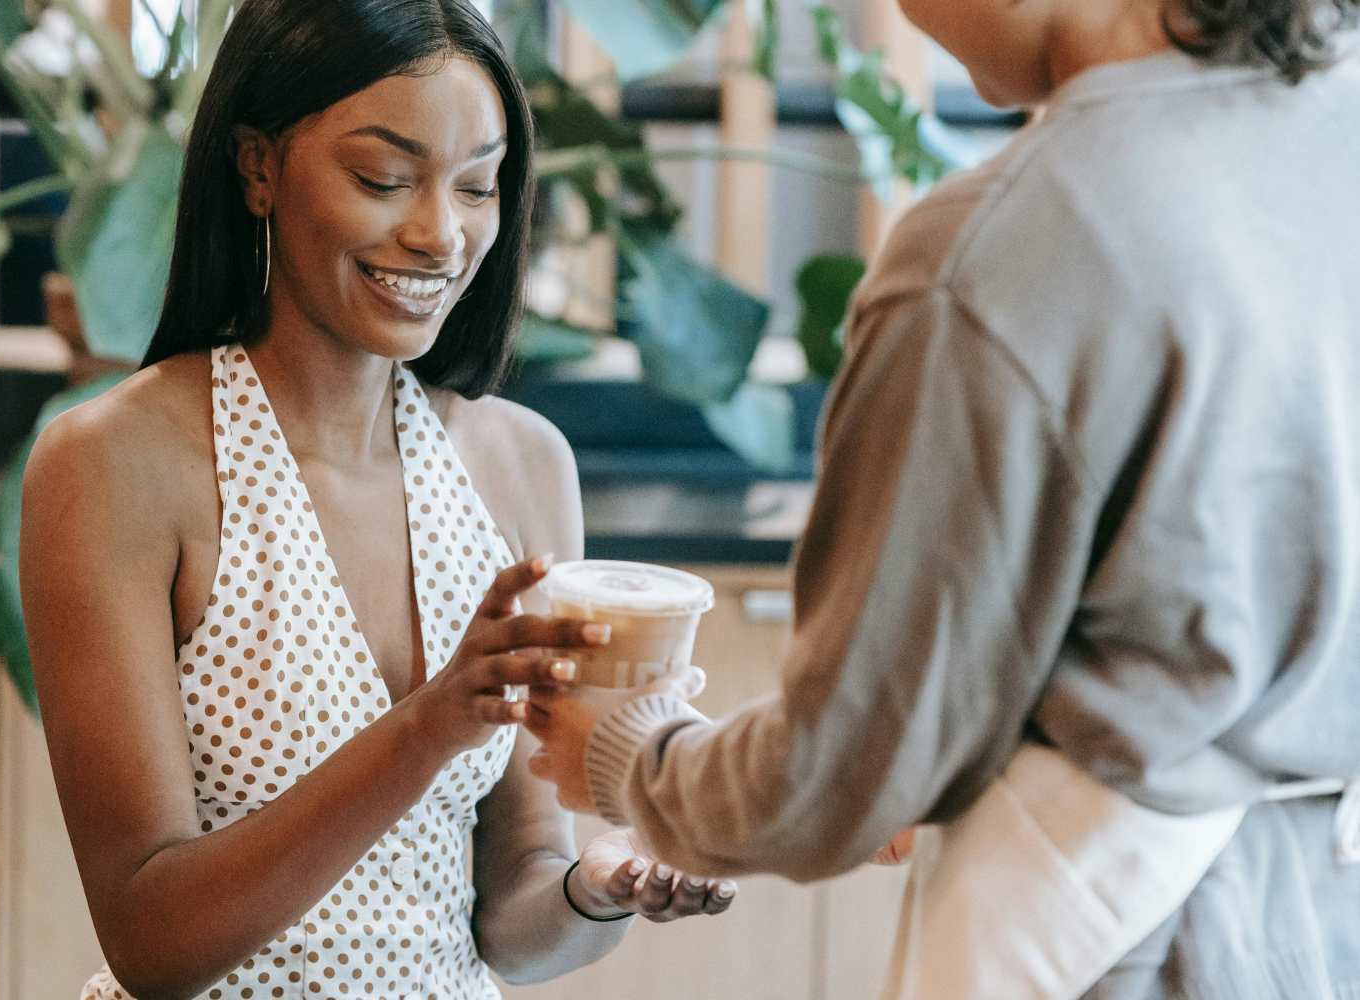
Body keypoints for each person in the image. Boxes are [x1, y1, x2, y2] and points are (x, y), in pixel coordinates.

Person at [525, 0, 1360, 996]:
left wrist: (631, 754)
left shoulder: (1000, 251)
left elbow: (837, 774)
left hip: (1132, 942)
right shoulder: (1330, 134)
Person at [19, 2, 737, 998]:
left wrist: (599, 886)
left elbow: (515, 920)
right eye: (383, 178)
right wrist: (428, 726)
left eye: (478, 186)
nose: (440, 234)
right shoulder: (117, 462)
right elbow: (155, 941)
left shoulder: (521, 465)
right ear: (258, 167)